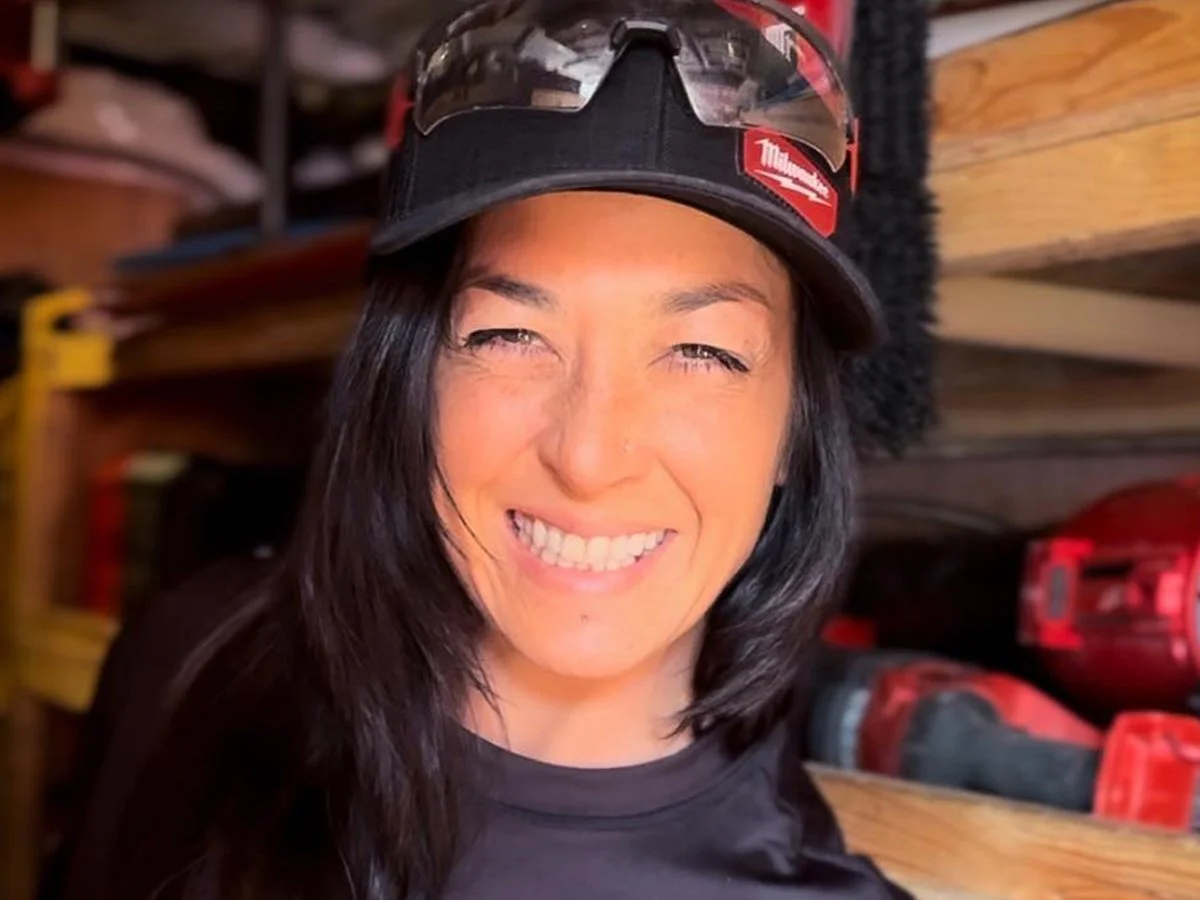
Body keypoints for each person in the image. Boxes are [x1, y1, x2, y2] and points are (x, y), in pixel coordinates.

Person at [56, 2, 915, 898]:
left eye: (703, 352)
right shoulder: (191, 660)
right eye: (509, 336)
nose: (588, 455)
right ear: (411, 377)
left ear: (794, 432)